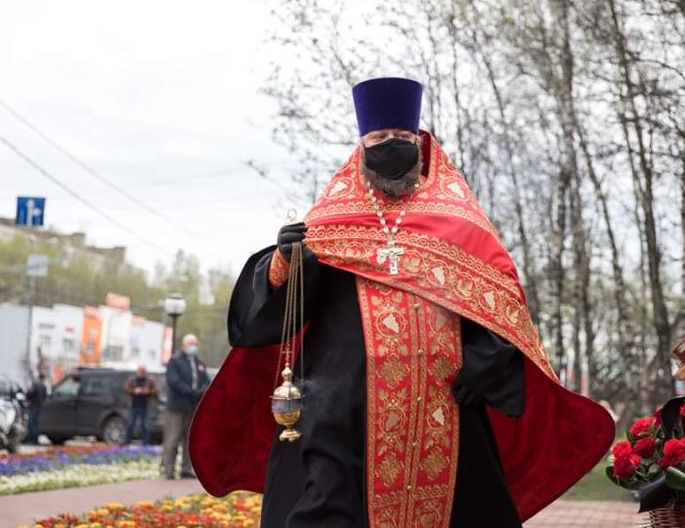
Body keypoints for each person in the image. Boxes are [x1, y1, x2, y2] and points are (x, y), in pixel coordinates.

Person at [189, 77, 614, 527]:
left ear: (419, 142)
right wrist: (283, 263)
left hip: (444, 411)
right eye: (378, 138)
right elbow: (282, 312)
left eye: (401, 137)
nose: (390, 145)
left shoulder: (459, 222)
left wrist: (484, 364)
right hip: (341, 415)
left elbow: (500, 303)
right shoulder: (331, 220)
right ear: (361, 146)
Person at [163, 334, 209, 479]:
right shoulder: (175, 361)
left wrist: (200, 391)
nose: (193, 347)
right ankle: (169, 469)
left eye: (195, 344)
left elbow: (206, 380)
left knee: (189, 440)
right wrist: (192, 392)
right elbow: (174, 382)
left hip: (192, 407)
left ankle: (186, 468)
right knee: (173, 438)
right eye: (190, 344)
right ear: (183, 345)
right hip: (177, 407)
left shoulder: (199, 363)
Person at [122, 365, 157, 446]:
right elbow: (126, 389)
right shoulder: (132, 379)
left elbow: (155, 391)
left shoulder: (149, 380)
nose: (142, 373)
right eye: (140, 371)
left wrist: (148, 391)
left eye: (143, 371)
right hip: (133, 405)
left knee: (144, 425)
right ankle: (127, 442)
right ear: (137, 371)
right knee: (130, 424)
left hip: (144, 405)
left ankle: (145, 443)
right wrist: (134, 391)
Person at [24, 373, 47, 445]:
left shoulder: (36, 385)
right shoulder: (44, 386)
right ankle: (35, 439)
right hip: (40, 407)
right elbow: (45, 397)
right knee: (36, 423)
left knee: (31, 423)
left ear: (38, 377)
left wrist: (26, 398)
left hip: (33, 406)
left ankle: (31, 439)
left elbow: (30, 393)